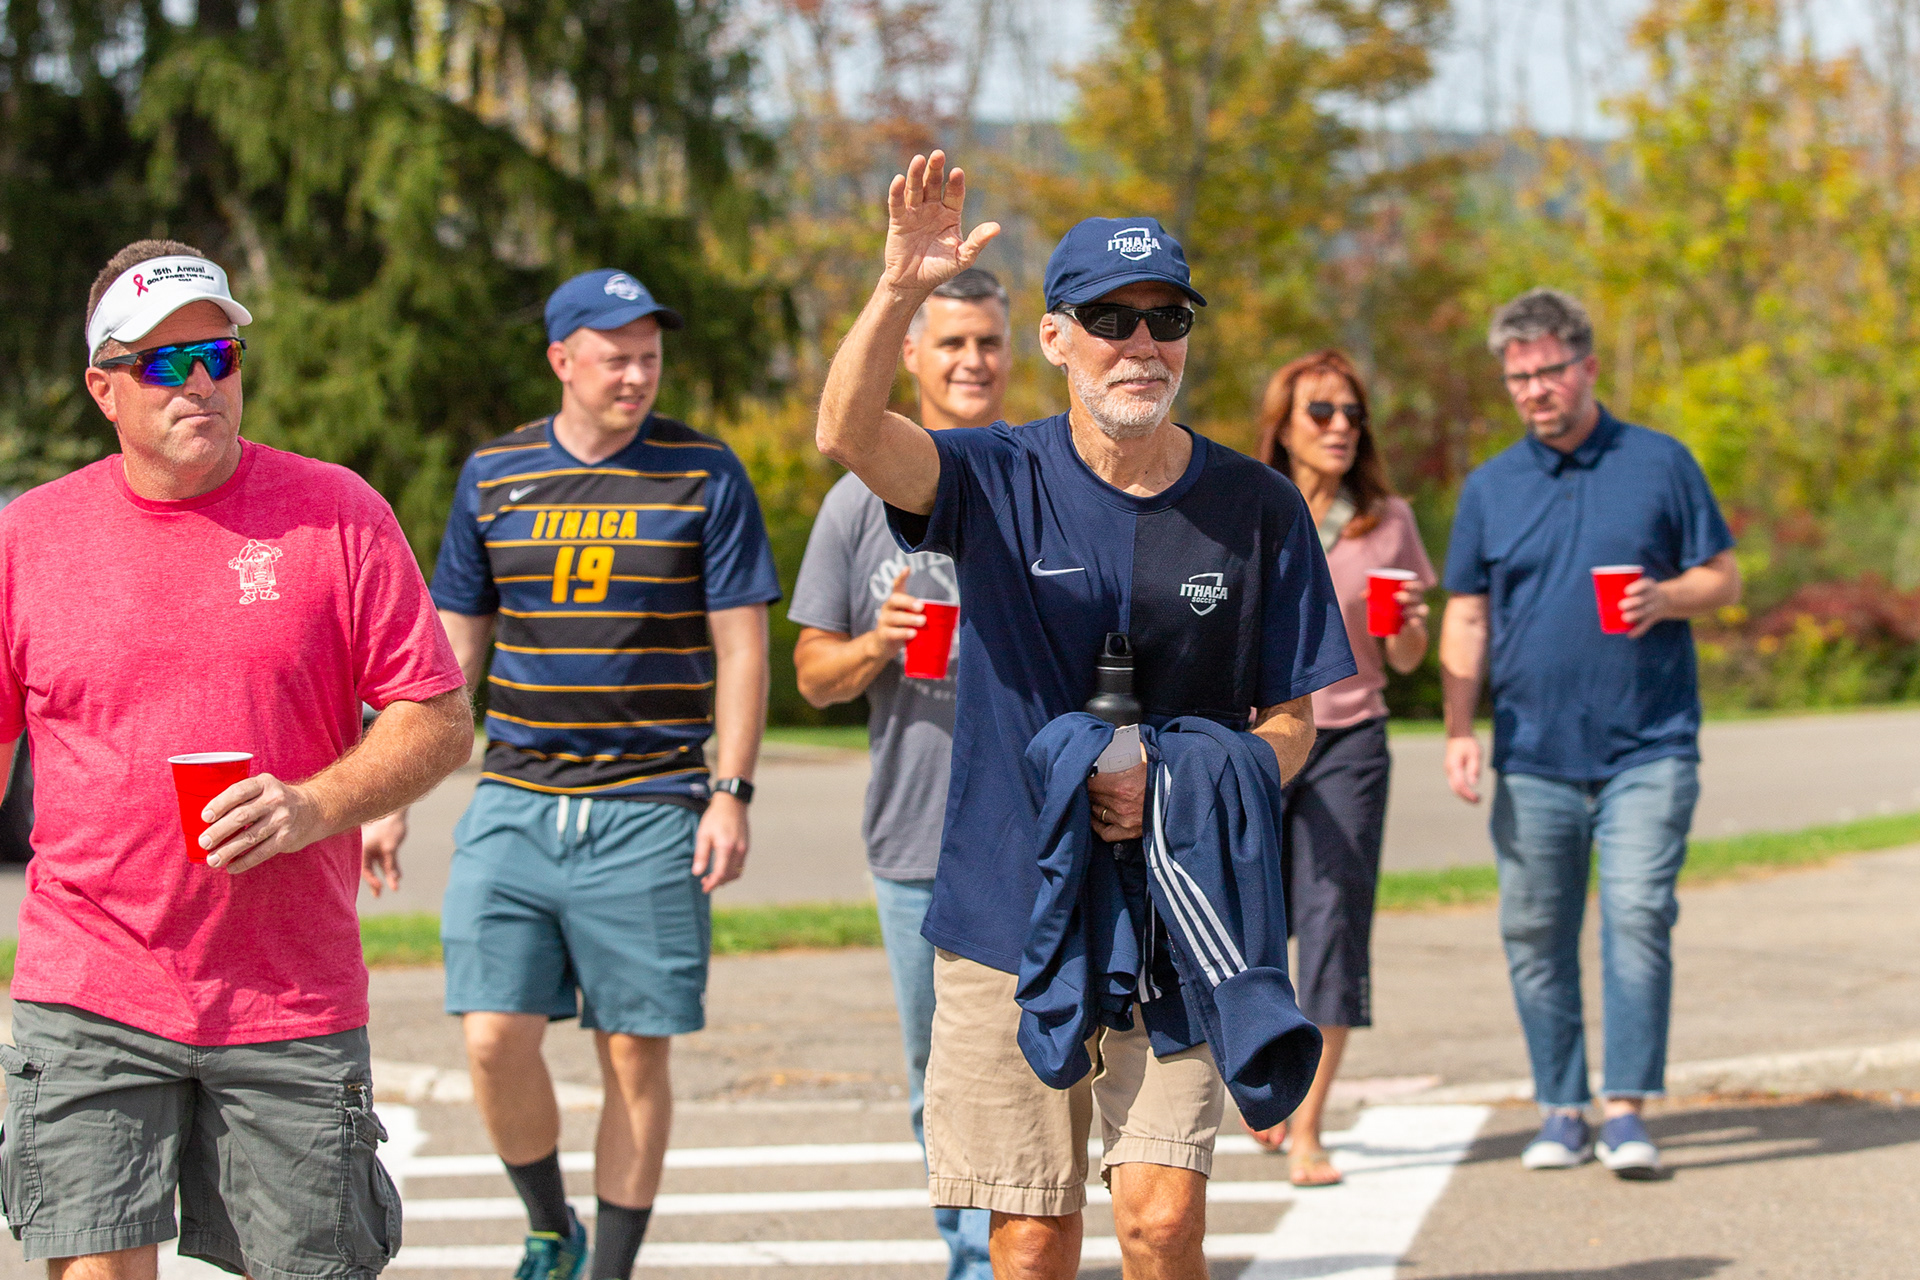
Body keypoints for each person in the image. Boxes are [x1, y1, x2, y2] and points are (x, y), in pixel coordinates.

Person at [814, 152, 1355, 1280]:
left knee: (1161, 1220)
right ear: (1056, 339)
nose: (1141, 343)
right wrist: (901, 287)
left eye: (1167, 319)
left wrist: (1187, 784)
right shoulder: (992, 475)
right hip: (1011, 905)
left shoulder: (1256, 506)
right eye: (1110, 319)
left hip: (1188, 906)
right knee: (1030, 1237)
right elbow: (848, 435)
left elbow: (1296, 719)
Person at [0, 239, 474, 1278]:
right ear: (104, 388)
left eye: (218, 354)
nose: (201, 382)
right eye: (164, 363)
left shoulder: (337, 511)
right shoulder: (29, 539)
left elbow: (437, 716)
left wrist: (313, 805)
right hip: (90, 985)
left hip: (288, 994)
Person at [428, 269, 780, 1280]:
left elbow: (741, 647)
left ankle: (610, 1269)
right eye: (616, 357)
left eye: (650, 357)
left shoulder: (703, 472)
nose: (637, 375)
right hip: (514, 798)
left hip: (653, 804)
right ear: (561, 359)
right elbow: (456, 647)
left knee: (633, 1052)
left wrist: (732, 790)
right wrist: (394, 793)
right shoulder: (495, 474)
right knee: (492, 1034)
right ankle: (550, 1226)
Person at [1439, 288, 1741, 1179]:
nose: (1535, 390)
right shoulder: (1490, 488)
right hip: (1533, 754)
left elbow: (1723, 577)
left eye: (1549, 372)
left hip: (1650, 745)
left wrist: (1667, 596)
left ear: (1589, 367)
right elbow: (1467, 614)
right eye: (1518, 377)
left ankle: (1627, 1109)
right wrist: (1459, 727)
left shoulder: (1661, 463)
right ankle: (1562, 1108)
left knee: (1637, 916)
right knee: (1535, 932)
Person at [787, 267, 1010, 1280]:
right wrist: (877, 643)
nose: (972, 361)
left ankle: (1030, 1248)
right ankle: (975, 1260)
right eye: (951, 342)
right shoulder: (854, 504)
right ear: (912, 354)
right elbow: (811, 675)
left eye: (987, 341)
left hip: (1039, 834)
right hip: (915, 842)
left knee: (1055, 1062)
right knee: (940, 1076)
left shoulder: (1043, 480)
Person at [1247, 350, 1435, 1186]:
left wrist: (1409, 626)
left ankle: (1309, 1125)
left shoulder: (1387, 521)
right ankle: (1261, 1078)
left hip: (1351, 741)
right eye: (1321, 411)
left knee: (1332, 928)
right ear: (1283, 426)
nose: (1340, 426)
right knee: (1249, 920)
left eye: (1353, 412)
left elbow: (1407, 657)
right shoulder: (1247, 509)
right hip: (1257, 738)